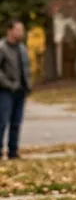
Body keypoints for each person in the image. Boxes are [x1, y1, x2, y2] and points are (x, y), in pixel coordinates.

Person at [0, 20, 32, 161]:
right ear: (10, 31)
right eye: (18, 30)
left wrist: (27, 84)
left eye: (22, 30)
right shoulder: (2, 48)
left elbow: (25, 68)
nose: (21, 33)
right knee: (2, 122)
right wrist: (8, 84)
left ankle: (13, 151)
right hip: (5, 91)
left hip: (21, 91)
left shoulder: (22, 48)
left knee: (16, 123)